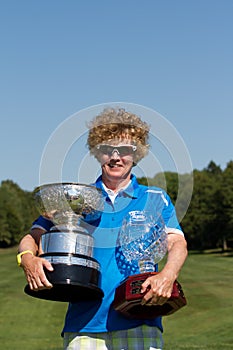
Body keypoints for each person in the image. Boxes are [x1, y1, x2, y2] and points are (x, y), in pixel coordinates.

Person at [17, 107, 188, 350]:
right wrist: (27, 259)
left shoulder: (155, 197)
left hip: (140, 320)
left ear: (136, 154)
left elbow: (177, 243)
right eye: (108, 150)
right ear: (97, 154)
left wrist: (168, 276)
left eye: (125, 150)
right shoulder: (77, 198)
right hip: (84, 325)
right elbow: (33, 237)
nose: (116, 157)